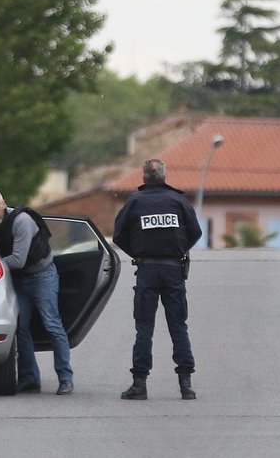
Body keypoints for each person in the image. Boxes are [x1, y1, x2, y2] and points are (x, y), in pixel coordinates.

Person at [113, 159, 203, 401]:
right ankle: (186, 385)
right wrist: (178, 248)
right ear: (164, 176)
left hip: (147, 271)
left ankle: (139, 384)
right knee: (178, 327)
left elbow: (118, 235)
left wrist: (139, 253)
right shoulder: (178, 201)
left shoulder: (134, 202)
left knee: (144, 328)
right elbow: (196, 232)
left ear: (143, 177)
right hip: (173, 271)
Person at [0, 189, 74, 396]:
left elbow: (18, 259)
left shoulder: (21, 221)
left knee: (52, 323)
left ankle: (65, 377)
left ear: (4, 204)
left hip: (42, 275)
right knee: (20, 327)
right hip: (18, 278)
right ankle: (30, 378)